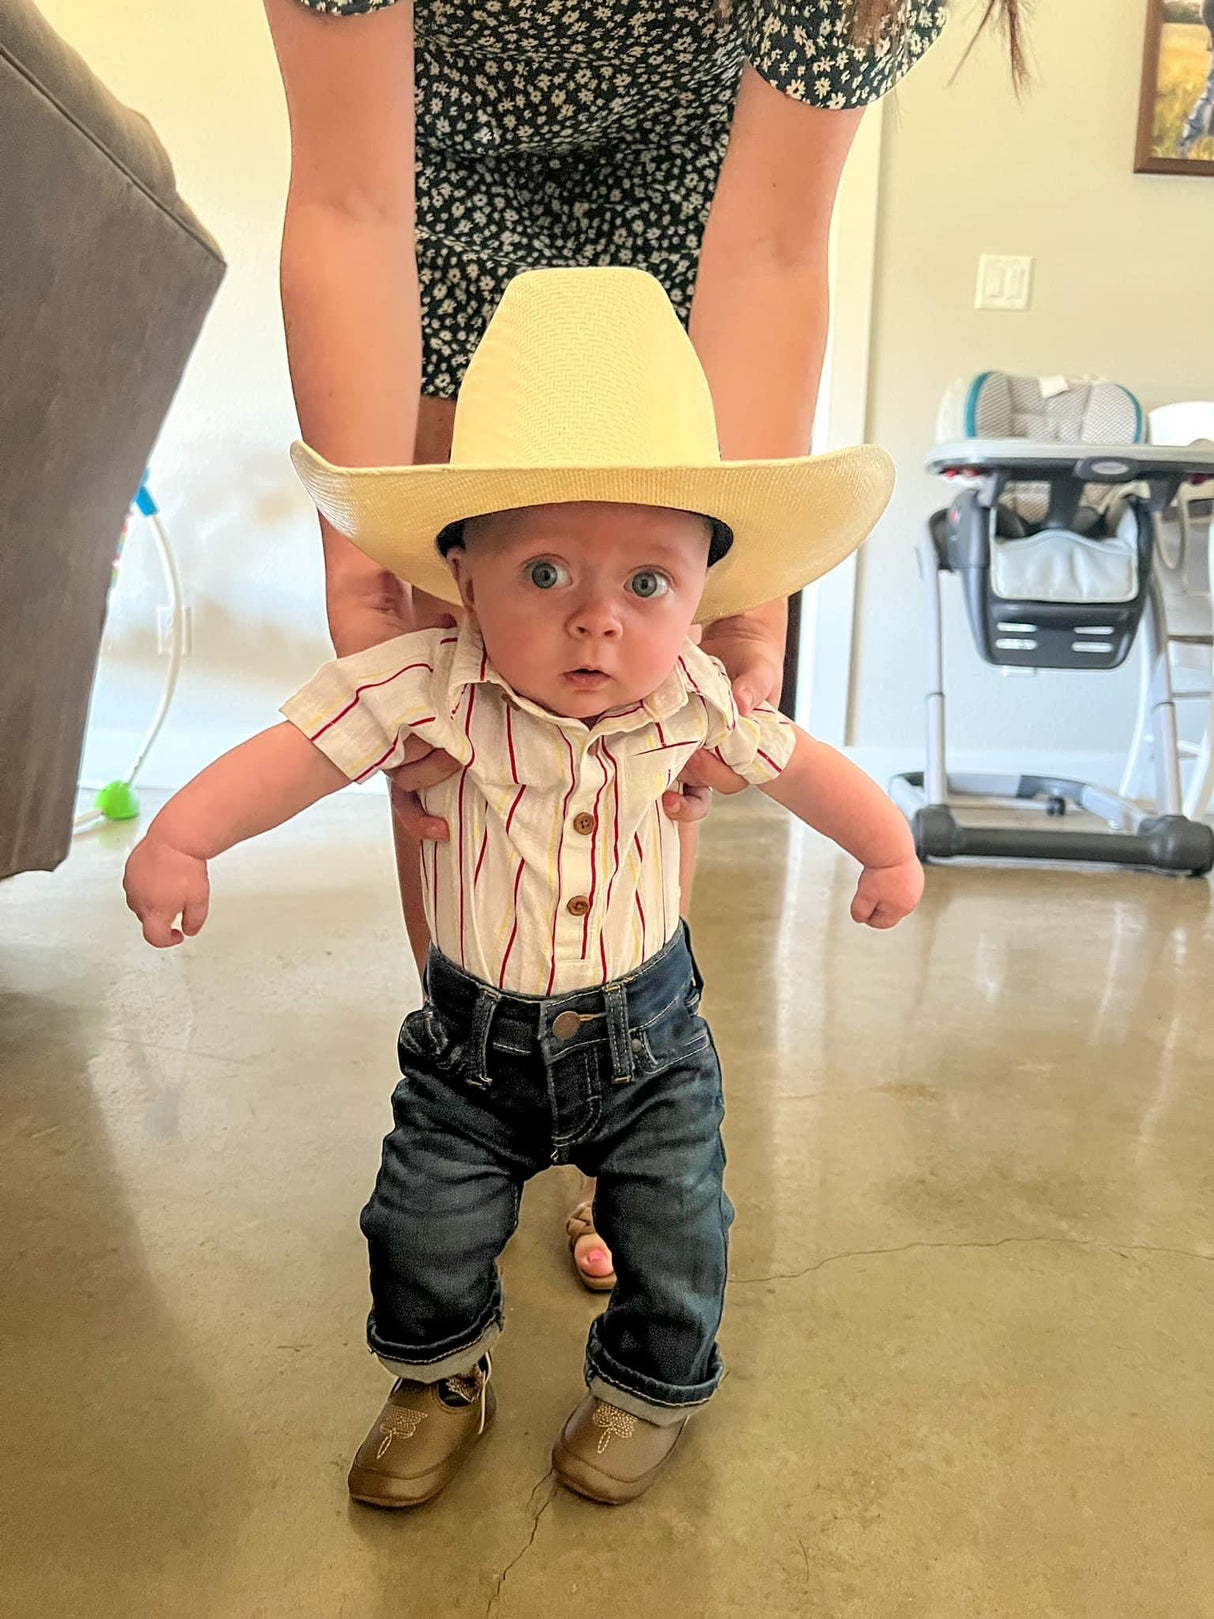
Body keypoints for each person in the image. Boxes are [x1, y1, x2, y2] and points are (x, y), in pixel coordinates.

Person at [123, 266, 923, 1506]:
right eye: (546, 573)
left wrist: (883, 846)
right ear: (463, 575)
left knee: (677, 1224)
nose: (597, 621)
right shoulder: (423, 684)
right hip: (468, 1046)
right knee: (420, 1225)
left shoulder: (695, 699)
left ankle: (646, 1384)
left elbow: (807, 767)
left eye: (645, 584)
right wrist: (182, 837)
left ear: (701, 594)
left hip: (647, 1038)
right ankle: (438, 1376)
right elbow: (290, 756)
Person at [260, 0, 990, 1290]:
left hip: (697, 193)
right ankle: (475, 1087)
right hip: (434, 171)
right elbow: (351, 204)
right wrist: (364, 560)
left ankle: (617, 1106)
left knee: (666, 675)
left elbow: (766, 245)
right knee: (449, 688)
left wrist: (746, 606)